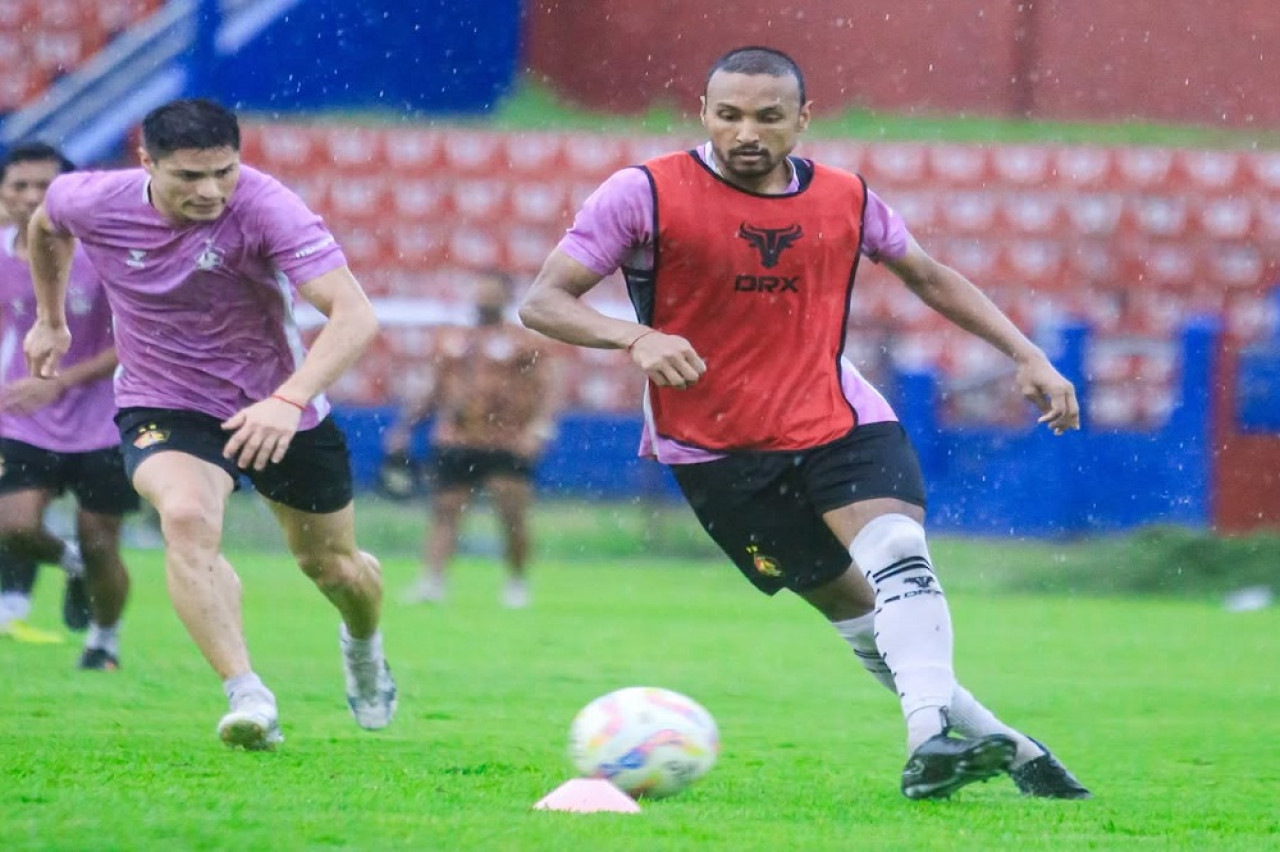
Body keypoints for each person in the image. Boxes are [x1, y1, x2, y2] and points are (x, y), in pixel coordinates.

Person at [520, 46, 1091, 800]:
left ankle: (926, 737)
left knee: (897, 549)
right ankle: (1011, 749)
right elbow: (543, 301)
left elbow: (930, 275)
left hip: (835, 414)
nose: (746, 132)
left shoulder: (847, 197)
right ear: (704, 114)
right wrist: (636, 335)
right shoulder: (643, 193)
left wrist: (1028, 355)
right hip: (713, 448)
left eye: (767, 116)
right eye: (728, 115)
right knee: (856, 614)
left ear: (803, 119)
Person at [23, 98, 396, 750]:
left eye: (223, 172)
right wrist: (50, 317)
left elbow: (355, 316)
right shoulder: (91, 198)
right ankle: (247, 695)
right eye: (189, 177)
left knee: (334, 568)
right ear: (147, 163)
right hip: (162, 402)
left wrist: (289, 399)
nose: (210, 190)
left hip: (278, 403)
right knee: (188, 518)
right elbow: (44, 225)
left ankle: (364, 647)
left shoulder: (266, 206)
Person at [0, 142, 133, 665]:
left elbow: (133, 341)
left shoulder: (103, 254)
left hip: (103, 415)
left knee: (102, 539)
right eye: (19, 185)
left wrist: (60, 381)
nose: (31, 197)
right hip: (23, 411)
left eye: (44, 187)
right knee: (13, 526)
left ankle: (104, 641)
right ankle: (72, 564)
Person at [383, 270, 559, 609]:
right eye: (479, 292)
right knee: (445, 509)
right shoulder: (454, 340)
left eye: (491, 293)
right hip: (456, 437)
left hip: (507, 440)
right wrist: (405, 428)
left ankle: (516, 582)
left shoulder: (525, 342)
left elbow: (548, 388)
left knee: (511, 513)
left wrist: (539, 428)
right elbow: (433, 389)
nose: (483, 299)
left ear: (506, 298)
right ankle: (433, 581)